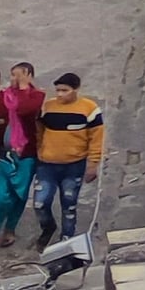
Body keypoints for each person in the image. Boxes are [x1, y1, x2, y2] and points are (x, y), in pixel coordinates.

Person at [25, 69, 99, 246]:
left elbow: (97, 138)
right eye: (58, 90)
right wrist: (40, 151)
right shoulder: (48, 107)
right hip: (47, 165)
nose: (60, 94)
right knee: (40, 204)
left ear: (76, 89)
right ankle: (48, 228)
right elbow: (39, 130)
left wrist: (93, 164)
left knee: (69, 204)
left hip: (73, 165)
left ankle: (67, 236)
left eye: (64, 90)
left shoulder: (89, 109)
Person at [0, 61, 39, 250]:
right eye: (12, 75)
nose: (14, 79)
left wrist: (24, 88)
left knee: (19, 195)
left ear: (28, 76)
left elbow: (24, 110)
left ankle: (10, 229)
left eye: (19, 75)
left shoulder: (37, 96)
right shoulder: (1, 98)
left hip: (25, 155)